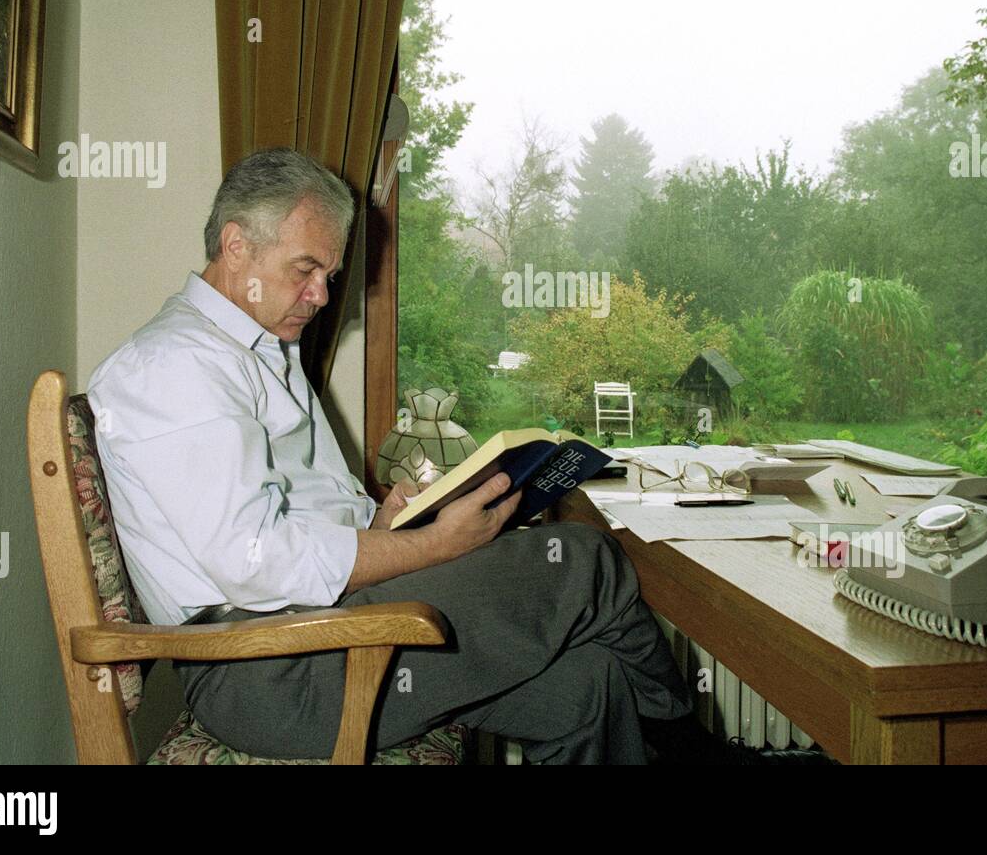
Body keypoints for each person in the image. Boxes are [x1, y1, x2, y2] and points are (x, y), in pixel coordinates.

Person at [88, 147, 734, 764]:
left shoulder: (255, 350)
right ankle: (693, 753)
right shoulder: (175, 366)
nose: (320, 296)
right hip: (268, 670)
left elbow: (290, 515)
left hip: (317, 634)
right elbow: (250, 563)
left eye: (329, 276)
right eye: (305, 270)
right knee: (586, 559)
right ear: (236, 246)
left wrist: (387, 522)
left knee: (585, 686)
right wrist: (432, 547)